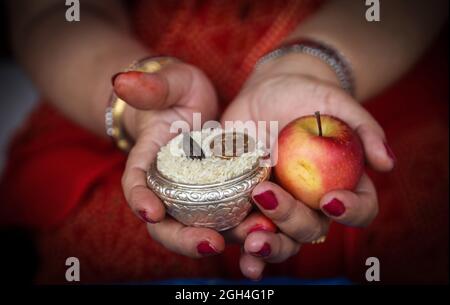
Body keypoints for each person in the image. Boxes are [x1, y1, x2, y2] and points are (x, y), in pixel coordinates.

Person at [1, 0, 448, 283]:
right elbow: (52, 11)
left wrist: (313, 68)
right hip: (107, 77)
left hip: (362, 68)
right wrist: (137, 104)